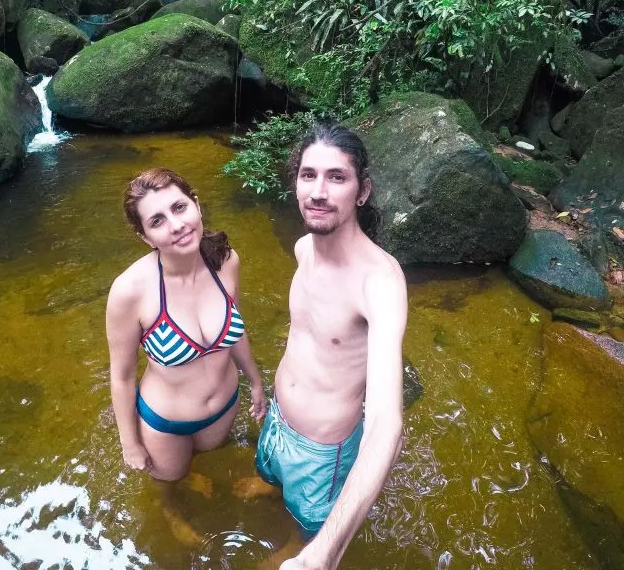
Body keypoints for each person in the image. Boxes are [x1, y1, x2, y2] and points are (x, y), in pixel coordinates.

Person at [256, 123, 408, 570]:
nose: (318, 192)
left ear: (362, 192)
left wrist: (323, 553)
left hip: (323, 456)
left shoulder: (379, 282)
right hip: (277, 421)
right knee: (268, 487)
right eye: (308, 175)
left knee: (306, 532)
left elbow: (385, 422)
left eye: (337, 177)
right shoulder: (305, 247)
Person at [106, 168, 266, 481]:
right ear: (144, 237)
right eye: (157, 221)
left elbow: (236, 326)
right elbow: (122, 377)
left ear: (196, 204)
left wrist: (256, 380)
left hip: (226, 406)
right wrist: (130, 443)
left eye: (179, 207)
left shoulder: (225, 261)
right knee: (171, 491)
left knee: (214, 470)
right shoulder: (130, 291)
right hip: (167, 425)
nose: (176, 225)